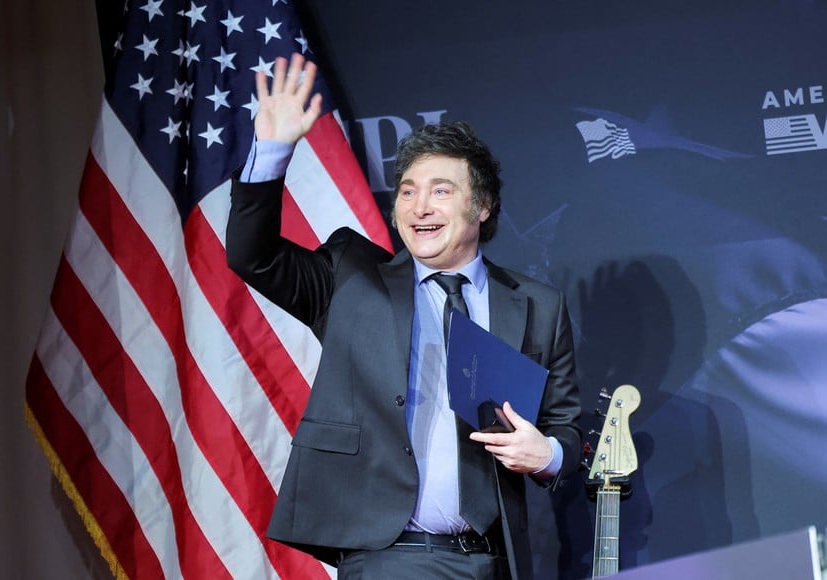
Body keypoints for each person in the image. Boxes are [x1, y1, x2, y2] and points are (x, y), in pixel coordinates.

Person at [226, 53, 581, 580]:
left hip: (492, 560)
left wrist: (546, 453)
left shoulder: (536, 304)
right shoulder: (352, 276)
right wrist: (273, 152)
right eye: (408, 192)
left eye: (441, 191)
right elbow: (252, 257)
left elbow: (566, 429)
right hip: (388, 555)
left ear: (481, 207)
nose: (419, 207)